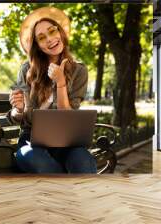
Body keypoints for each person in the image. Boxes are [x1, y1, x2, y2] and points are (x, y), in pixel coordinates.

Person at [7, 7, 97, 174]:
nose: (49, 39)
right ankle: (66, 194)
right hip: (31, 141)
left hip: (66, 141)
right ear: (38, 46)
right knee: (36, 159)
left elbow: (69, 117)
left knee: (84, 161)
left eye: (52, 31)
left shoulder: (79, 71)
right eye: (41, 38)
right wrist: (18, 109)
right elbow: (17, 117)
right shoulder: (27, 69)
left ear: (60, 33)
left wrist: (61, 83)